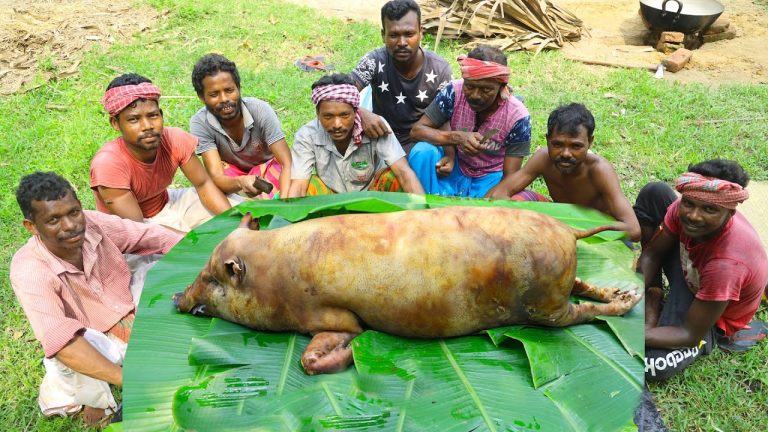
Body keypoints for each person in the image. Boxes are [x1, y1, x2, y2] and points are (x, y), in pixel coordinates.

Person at [10, 172, 182, 426]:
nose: (70, 226)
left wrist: (207, 248)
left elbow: (152, 237)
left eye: (73, 212)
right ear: (32, 226)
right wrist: (131, 379)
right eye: (53, 220)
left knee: (160, 263)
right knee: (70, 350)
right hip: (93, 338)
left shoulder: (93, 224)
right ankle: (96, 400)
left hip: (126, 304)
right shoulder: (29, 269)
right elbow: (63, 343)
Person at [636, 160, 768, 382]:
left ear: (730, 212)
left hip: (708, 311)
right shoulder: (683, 210)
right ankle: (654, 296)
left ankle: (712, 337)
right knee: (655, 192)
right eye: (688, 203)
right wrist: (631, 293)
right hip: (691, 269)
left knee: (652, 365)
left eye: (709, 209)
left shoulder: (727, 264)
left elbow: (688, 335)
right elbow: (652, 254)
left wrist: (627, 333)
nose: (694, 216)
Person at [90, 73, 234, 233]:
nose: (147, 126)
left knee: (239, 211)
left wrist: (235, 223)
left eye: (153, 116)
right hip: (130, 230)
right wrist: (190, 240)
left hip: (170, 202)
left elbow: (203, 184)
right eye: (134, 120)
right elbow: (140, 230)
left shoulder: (174, 139)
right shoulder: (108, 164)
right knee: (190, 254)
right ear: (115, 123)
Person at [487, 103, 641, 242]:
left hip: (598, 236)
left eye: (576, 146)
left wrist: (584, 231)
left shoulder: (599, 170)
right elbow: (499, 194)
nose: (566, 153)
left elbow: (633, 230)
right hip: (560, 226)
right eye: (558, 144)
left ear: (590, 142)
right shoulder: (543, 158)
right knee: (517, 199)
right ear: (548, 140)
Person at [408, 45, 531, 198]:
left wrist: (490, 197)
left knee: (507, 195)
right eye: (470, 86)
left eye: (486, 90)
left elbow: (510, 178)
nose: (475, 95)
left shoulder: (518, 117)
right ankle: (425, 205)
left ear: (502, 86)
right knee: (422, 152)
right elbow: (417, 131)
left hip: (490, 178)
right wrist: (457, 138)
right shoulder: (453, 92)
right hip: (455, 168)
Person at [288, 73, 424, 197]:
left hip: (372, 197)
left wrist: (424, 212)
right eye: (328, 116)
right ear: (318, 114)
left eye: (344, 115)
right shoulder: (307, 135)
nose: (337, 124)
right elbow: (298, 185)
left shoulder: (376, 127)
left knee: (392, 178)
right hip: (330, 199)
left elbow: (403, 172)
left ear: (356, 111)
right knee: (310, 186)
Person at [351, 0, 452, 154]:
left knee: (426, 154)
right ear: (383, 35)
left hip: (420, 143)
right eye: (393, 35)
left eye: (409, 34)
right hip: (381, 137)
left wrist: (450, 156)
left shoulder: (440, 69)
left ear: (421, 32)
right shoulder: (374, 61)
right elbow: (341, 91)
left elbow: (445, 115)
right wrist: (361, 113)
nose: (402, 42)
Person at [190, 53, 292, 199]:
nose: (224, 99)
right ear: (202, 97)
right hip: (234, 177)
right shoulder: (200, 123)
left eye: (229, 90)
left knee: (286, 174)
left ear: (238, 88)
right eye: (214, 94)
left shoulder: (260, 110)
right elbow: (217, 175)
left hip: (268, 170)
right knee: (213, 186)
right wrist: (241, 181)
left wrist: (285, 202)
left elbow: (287, 162)